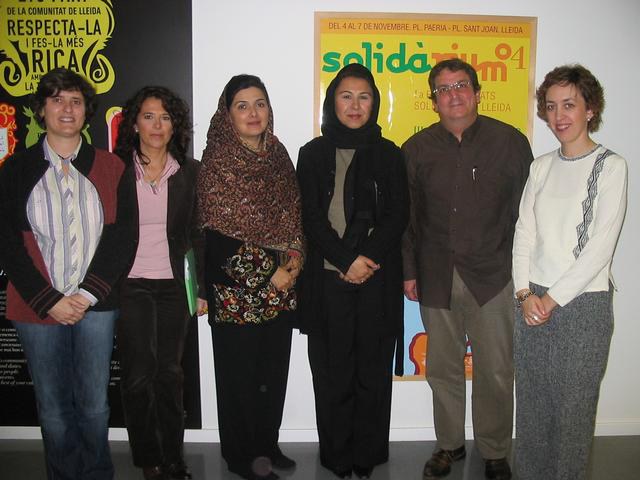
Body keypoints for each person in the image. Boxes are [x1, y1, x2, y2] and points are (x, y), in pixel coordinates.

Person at [401, 58, 533, 480]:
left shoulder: (510, 142)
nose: (453, 95)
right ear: (433, 100)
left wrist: (523, 274)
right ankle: (448, 444)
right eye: (443, 89)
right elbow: (407, 218)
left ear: (477, 93)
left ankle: (494, 450)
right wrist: (409, 271)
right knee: (443, 368)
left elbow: (527, 214)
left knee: (496, 369)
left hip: (493, 275)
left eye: (460, 86)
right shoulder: (415, 149)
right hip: (435, 274)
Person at [0, 68, 134, 479]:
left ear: (86, 110)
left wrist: (85, 295)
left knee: (94, 405)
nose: (67, 109)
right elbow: (7, 244)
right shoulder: (15, 169)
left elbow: (122, 237)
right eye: (56, 100)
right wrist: (50, 301)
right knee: (54, 409)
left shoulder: (111, 167)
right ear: (41, 109)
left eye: (76, 101)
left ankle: (96, 473)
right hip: (36, 308)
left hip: (96, 306)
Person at [512, 64, 627, 480]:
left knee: (573, 413)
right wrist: (524, 294)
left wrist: (549, 299)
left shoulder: (611, 166)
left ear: (590, 109)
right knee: (532, 407)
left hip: (583, 304)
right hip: (531, 301)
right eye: (551, 106)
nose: (559, 116)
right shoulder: (541, 166)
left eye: (569, 105)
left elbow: (600, 248)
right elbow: (524, 232)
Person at [296, 63, 409, 479]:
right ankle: (337, 455)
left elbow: (398, 216)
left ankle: (367, 454)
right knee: (332, 371)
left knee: (372, 371)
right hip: (327, 281)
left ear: (374, 103)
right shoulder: (312, 154)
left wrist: (364, 261)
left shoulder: (390, 153)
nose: (355, 105)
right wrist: (346, 260)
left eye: (364, 96)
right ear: (332, 102)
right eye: (346, 96)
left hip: (376, 279)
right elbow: (310, 218)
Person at [197, 74, 303, 480]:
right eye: (242, 105)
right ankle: (242, 456)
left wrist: (294, 261)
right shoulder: (217, 162)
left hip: (281, 288)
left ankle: (266, 445)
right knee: (239, 379)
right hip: (236, 291)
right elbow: (217, 237)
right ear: (227, 114)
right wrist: (270, 272)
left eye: (260, 103)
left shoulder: (278, 154)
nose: (253, 112)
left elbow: (294, 212)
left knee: (272, 375)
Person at [114, 86, 207, 480]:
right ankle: (148, 457)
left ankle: (173, 456)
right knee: (138, 374)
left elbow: (197, 234)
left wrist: (199, 289)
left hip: (173, 284)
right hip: (130, 283)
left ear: (175, 126)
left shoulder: (190, 171)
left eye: (165, 117)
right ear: (135, 124)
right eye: (148, 116)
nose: (157, 125)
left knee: (170, 373)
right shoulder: (115, 169)